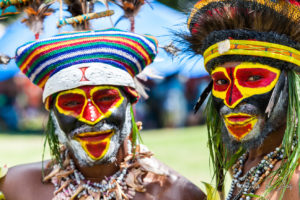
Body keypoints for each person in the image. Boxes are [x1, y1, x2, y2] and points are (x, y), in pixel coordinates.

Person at [0, 29, 205, 200]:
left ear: (130, 103)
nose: (91, 118)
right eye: (71, 102)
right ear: (53, 114)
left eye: (106, 99)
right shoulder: (13, 187)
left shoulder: (177, 193)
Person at [183, 0, 300, 199]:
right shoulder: (239, 161)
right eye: (221, 81)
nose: (231, 100)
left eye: (253, 78)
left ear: (292, 84)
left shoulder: (295, 179)